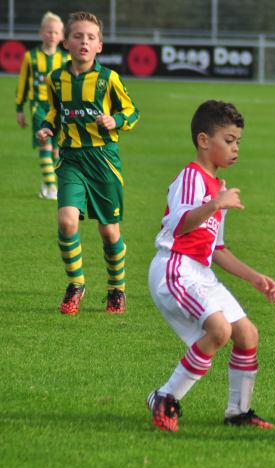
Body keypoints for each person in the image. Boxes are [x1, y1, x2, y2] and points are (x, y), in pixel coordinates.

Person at [146, 100, 275, 433]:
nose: (235, 148)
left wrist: (255, 278)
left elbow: (216, 248)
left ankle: (238, 412)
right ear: (204, 141)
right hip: (174, 268)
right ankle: (165, 397)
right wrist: (214, 204)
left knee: (247, 334)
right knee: (219, 331)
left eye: (238, 142)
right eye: (229, 140)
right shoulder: (192, 178)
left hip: (200, 272)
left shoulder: (217, 188)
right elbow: (179, 226)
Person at [37, 11, 139, 314]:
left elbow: (132, 112)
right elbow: (55, 112)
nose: (84, 41)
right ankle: (76, 284)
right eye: (78, 36)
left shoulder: (109, 79)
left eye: (91, 37)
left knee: (109, 232)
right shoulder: (57, 79)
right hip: (71, 161)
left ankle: (116, 289)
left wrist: (115, 119)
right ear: (67, 42)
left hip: (104, 161)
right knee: (67, 221)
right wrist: (47, 127)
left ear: (100, 46)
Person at [15, 11, 69, 200]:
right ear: (40, 33)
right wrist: (19, 109)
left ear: (62, 36)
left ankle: (46, 184)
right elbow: (22, 83)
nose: (52, 36)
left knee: (56, 150)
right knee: (44, 145)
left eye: (56, 32)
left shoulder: (65, 60)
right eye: (48, 32)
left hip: (59, 110)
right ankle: (53, 188)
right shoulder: (30, 57)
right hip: (38, 108)